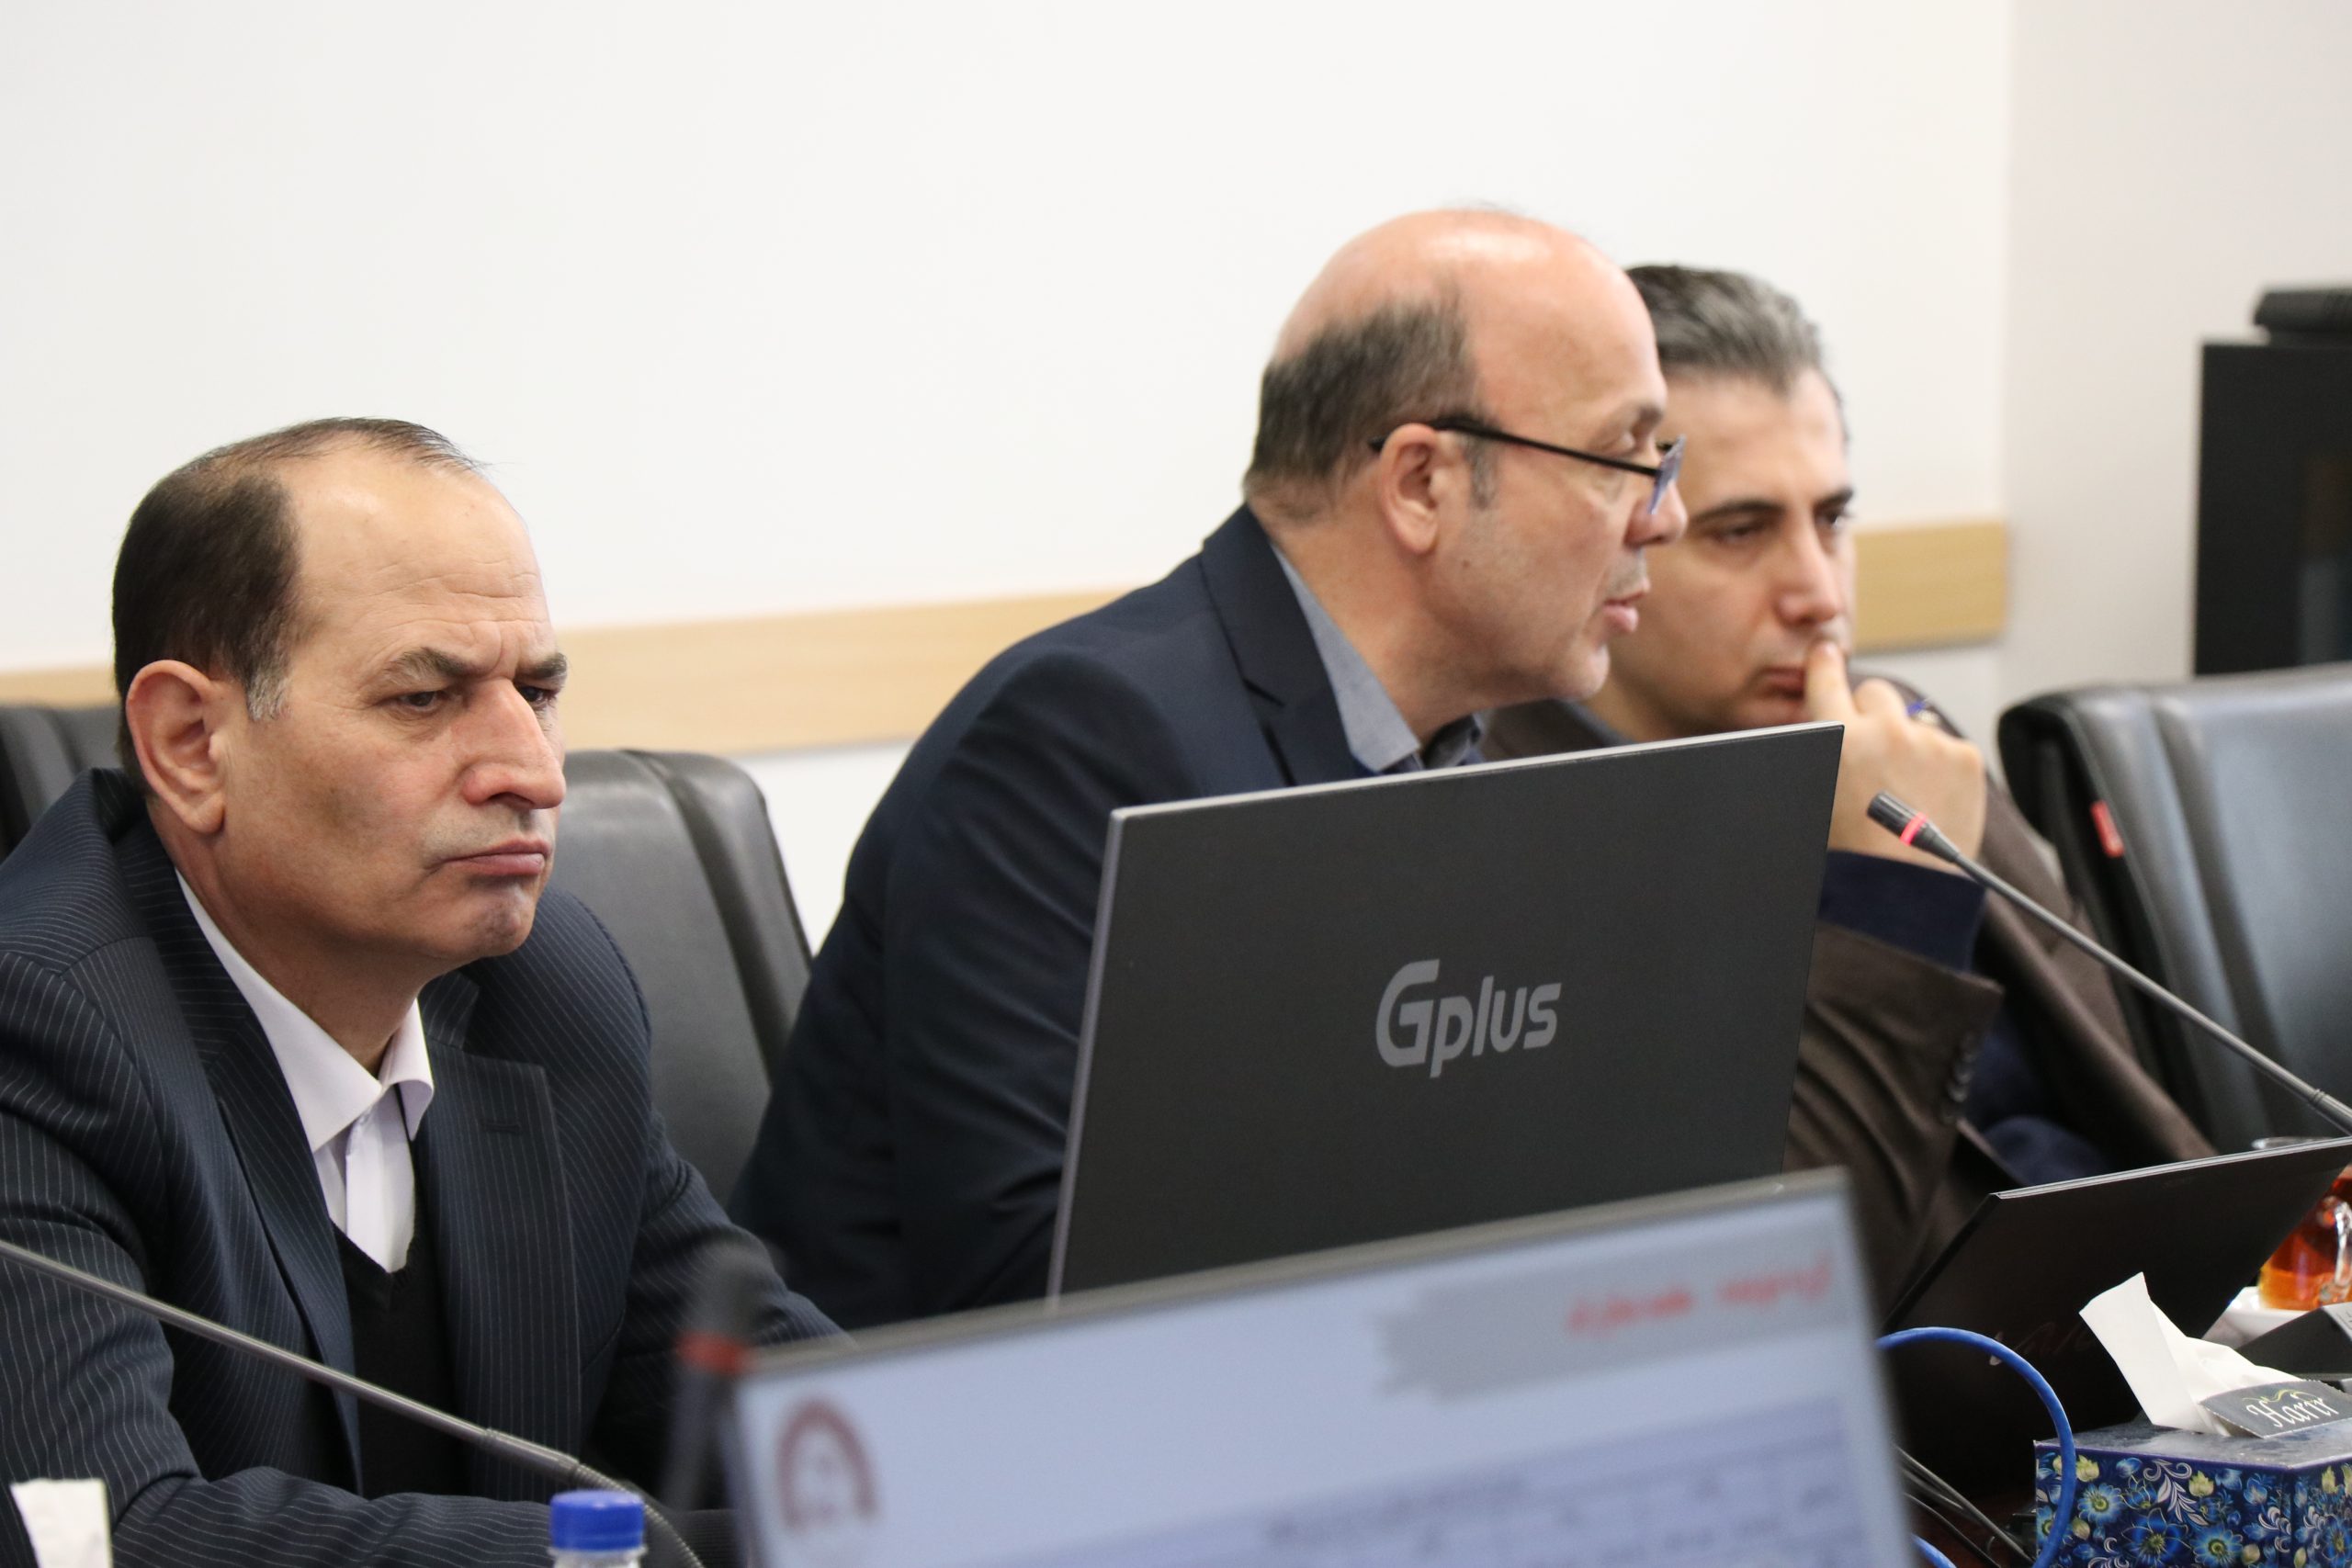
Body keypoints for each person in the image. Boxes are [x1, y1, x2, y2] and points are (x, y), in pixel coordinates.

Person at [731, 210, 1688, 1327]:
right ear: (1420, 484)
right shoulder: (1077, 743)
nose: (1662, 515)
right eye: (1624, 457)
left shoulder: (1503, 750)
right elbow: (1039, 1282)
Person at [0, 419, 834, 1568]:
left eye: (537, 689)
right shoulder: (34, 1028)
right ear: (192, 743)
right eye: (424, 698)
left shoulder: (541, 987)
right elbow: (110, 1538)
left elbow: (783, 1413)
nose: (532, 772)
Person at [1483, 265, 2211, 1298]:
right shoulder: (1517, 817)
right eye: (1740, 532)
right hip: (1928, 1370)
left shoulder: (1896, 733)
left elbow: (2119, 1086)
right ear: (1615, 537)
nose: (1818, 595)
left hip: (2161, 1322)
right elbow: (1776, 1282)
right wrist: (1892, 900)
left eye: (1831, 520)